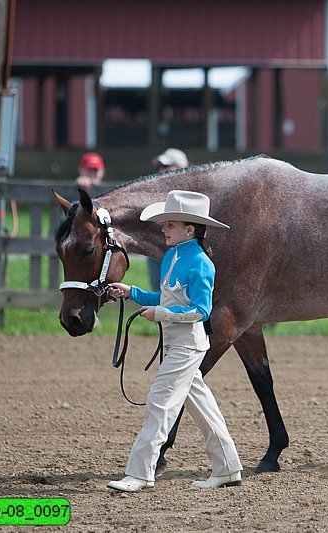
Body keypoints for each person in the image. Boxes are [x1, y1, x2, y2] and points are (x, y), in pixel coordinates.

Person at [106, 190, 242, 492]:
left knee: (160, 402)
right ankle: (228, 468)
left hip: (187, 345)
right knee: (203, 406)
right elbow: (166, 297)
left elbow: (201, 311)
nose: (163, 228)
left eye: (170, 224)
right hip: (175, 342)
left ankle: (140, 473)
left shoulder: (202, 264)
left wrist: (162, 313)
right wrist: (131, 292)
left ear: (189, 229)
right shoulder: (172, 256)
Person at [148, 148, 190, 290]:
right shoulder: (153, 191)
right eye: (160, 167)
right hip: (158, 249)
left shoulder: (193, 194)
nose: (161, 170)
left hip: (186, 251)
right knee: (159, 293)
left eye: (166, 166)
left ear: (182, 168)